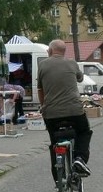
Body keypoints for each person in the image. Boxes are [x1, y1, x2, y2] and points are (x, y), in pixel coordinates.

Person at [37, 39, 93, 183]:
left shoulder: (42, 65)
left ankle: (58, 179)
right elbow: (80, 78)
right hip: (75, 111)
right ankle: (79, 159)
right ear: (64, 52)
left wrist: (44, 107)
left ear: (49, 51)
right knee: (84, 132)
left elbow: (40, 90)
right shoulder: (72, 63)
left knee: (54, 142)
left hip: (51, 114)